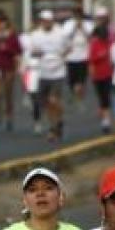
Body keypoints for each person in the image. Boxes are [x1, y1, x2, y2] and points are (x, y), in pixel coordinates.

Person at [29, 10, 69, 142]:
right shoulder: (36, 35)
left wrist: (62, 57)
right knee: (46, 104)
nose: (46, 23)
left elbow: (69, 48)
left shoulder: (60, 33)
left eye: (49, 20)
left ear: (52, 21)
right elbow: (33, 52)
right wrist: (37, 53)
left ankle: (58, 122)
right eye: (44, 21)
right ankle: (54, 126)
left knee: (53, 100)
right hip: (43, 72)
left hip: (57, 72)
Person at [0, 16, 23, 131]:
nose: (1, 25)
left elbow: (18, 51)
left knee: (8, 93)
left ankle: (9, 118)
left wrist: (7, 49)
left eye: (3, 23)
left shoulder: (12, 37)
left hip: (9, 67)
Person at [63, 7, 94, 105]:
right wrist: (75, 28)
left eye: (79, 14)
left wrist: (83, 28)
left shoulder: (88, 24)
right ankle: (76, 94)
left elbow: (91, 38)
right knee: (72, 81)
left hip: (84, 56)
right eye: (76, 14)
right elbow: (66, 37)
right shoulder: (68, 24)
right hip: (71, 57)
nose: (77, 16)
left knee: (81, 80)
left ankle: (79, 97)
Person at [89, 23, 115, 133]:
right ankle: (104, 115)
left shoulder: (111, 44)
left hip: (109, 75)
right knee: (101, 97)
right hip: (98, 75)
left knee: (106, 97)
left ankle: (106, 121)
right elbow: (91, 60)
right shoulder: (94, 45)